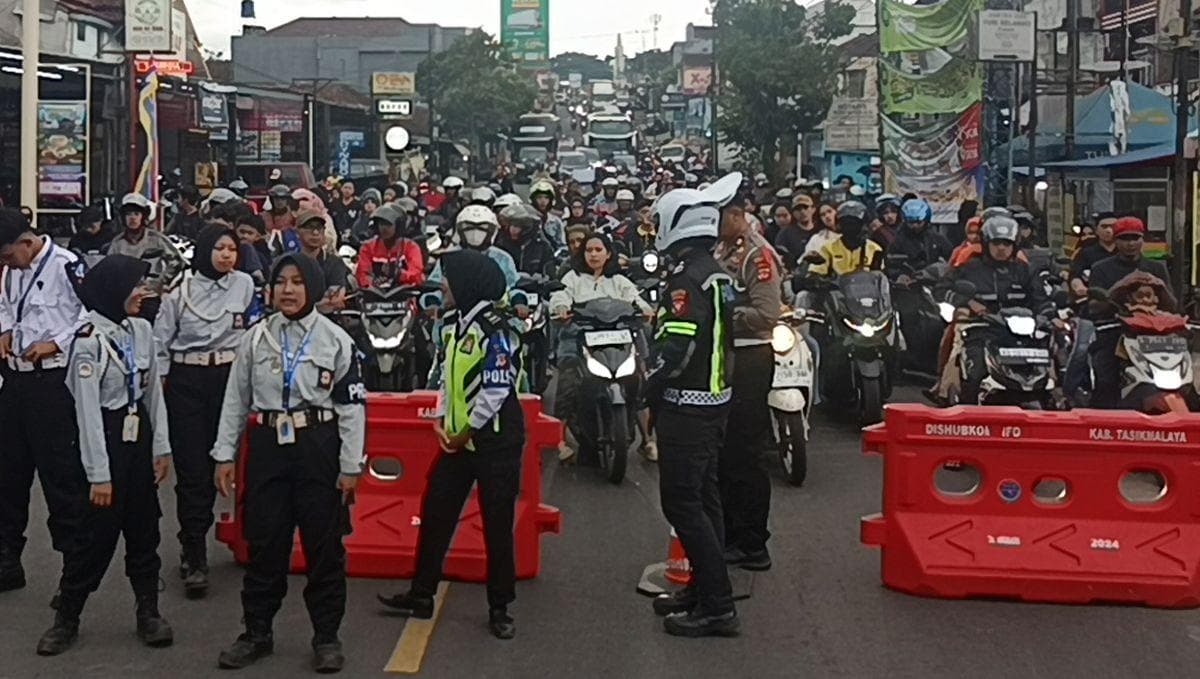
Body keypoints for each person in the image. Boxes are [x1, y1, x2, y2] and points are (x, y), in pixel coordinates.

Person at [210, 253, 366, 673]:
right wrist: (224, 454)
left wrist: (350, 466)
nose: (289, 290)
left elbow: (352, 409)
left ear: (312, 288)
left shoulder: (337, 340)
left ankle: (327, 636)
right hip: (266, 449)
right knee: (264, 544)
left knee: (324, 546)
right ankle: (256, 632)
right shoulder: (256, 338)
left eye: (297, 282)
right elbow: (235, 401)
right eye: (281, 282)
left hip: (317, 446)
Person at [377, 251, 525, 640]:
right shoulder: (455, 325)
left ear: (467, 283)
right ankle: (421, 593)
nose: (441, 285)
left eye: (447, 278)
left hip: (494, 440)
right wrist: (443, 419)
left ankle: (500, 606)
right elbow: (447, 376)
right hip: (459, 439)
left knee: (496, 524)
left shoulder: (498, 327)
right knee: (437, 510)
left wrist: (466, 431)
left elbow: (496, 388)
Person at [42, 254, 174, 656]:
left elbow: (153, 395)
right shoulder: (87, 342)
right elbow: (87, 415)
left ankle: (148, 610)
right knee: (94, 537)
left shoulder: (141, 330)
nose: (142, 293)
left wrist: (161, 448)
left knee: (144, 527)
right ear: (113, 290)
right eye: (135, 286)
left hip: (138, 435)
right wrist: (100, 474)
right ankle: (67, 615)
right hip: (105, 439)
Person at [645, 173, 738, 638]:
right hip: (715, 401)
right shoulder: (715, 273)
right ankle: (703, 590)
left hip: (688, 406)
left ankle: (717, 607)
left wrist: (650, 384)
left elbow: (676, 349)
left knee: (682, 504)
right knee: (706, 500)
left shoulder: (687, 279)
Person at [153, 225, 258, 599]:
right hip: (188, 381)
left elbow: (253, 330)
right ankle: (193, 551)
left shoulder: (245, 285)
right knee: (195, 471)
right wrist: (160, 392)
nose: (227, 255)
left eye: (232, 248)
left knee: (243, 464)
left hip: (231, 379)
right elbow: (160, 345)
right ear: (202, 251)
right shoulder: (180, 292)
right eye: (219, 248)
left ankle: (253, 543)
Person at [0, 209, 91, 614]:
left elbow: (90, 317)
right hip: (15, 380)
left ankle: (74, 571)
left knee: (61, 477)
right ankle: (7, 557)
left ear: (26, 241)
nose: (6, 263)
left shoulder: (67, 266)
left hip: (52, 383)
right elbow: (6, 306)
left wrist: (54, 344)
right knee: (9, 474)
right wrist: (3, 331)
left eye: (8, 256)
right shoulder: (10, 270)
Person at [713, 189, 781, 572]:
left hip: (752, 358)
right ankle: (730, 534)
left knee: (746, 454)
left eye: (721, 217)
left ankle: (753, 542)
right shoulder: (724, 251)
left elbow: (767, 313)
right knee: (726, 453)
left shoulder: (758, 255)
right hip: (729, 358)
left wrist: (723, 314)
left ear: (737, 216)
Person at [549, 234, 653, 462]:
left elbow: (636, 299)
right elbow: (559, 296)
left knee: (639, 380)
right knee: (567, 384)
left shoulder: (619, 281)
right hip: (580, 341)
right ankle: (557, 441)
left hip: (618, 343)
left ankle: (648, 441)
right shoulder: (572, 278)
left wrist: (645, 310)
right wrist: (562, 309)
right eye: (589, 250)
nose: (593, 254)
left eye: (598, 249)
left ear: (608, 253)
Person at [940, 216, 1049, 405]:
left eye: (1006, 243)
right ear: (985, 243)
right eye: (996, 243)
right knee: (973, 375)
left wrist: (1048, 316)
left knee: (1054, 369)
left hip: (1022, 335)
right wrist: (966, 304)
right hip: (980, 330)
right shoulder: (969, 268)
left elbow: (1041, 299)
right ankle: (963, 408)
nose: (1001, 248)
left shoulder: (1025, 270)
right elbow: (942, 290)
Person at [106, 193, 186, 307]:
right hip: (126, 299)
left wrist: (162, 281)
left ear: (143, 216)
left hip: (152, 296)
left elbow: (177, 261)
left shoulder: (156, 239)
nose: (132, 218)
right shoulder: (117, 243)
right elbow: (108, 270)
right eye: (128, 214)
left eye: (136, 214)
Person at [295, 209, 355, 315]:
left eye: (319, 228)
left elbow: (334, 301)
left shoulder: (335, 262)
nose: (315, 232)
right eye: (310, 227)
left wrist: (299, 305)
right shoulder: (288, 263)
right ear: (297, 232)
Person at [355, 204, 425, 289]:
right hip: (374, 297)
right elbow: (361, 274)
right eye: (381, 224)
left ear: (399, 226)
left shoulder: (411, 247)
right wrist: (372, 281)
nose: (384, 228)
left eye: (388, 224)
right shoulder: (367, 247)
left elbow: (417, 276)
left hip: (404, 295)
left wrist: (398, 274)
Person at [807, 201, 885, 278]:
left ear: (863, 225)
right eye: (846, 223)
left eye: (854, 223)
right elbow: (817, 272)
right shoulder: (828, 248)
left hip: (866, 289)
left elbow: (879, 278)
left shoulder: (874, 249)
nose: (850, 227)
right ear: (840, 224)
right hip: (836, 289)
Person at [495, 203, 556, 279]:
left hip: (535, 288)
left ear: (529, 227)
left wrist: (542, 278)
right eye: (511, 225)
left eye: (517, 226)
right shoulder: (500, 245)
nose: (512, 230)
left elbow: (550, 274)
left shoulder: (542, 247)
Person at [889, 198, 952, 270]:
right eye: (911, 223)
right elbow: (891, 265)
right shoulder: (898, 241)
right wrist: (900, 275)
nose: (915, 226)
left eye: (919, 223)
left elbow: (951, 258)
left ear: (926, 221)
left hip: (934, 278)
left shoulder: (937, 239)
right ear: (905, 222)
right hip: (908, 277)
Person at [530, 179, 565, 248]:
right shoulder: (527, 220)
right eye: (539, 197)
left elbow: (562, 244)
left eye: (546, 198)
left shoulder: (556, 221)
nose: (543, 201)